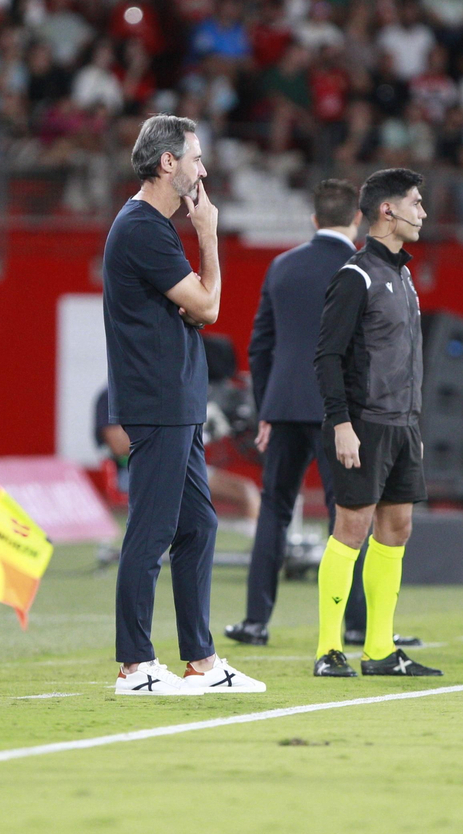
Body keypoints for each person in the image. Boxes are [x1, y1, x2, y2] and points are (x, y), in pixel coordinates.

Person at [103, 113, 264, 696]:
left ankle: (200, 660)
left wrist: (194, 295)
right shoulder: (144, 226)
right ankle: (135, 665)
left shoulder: (151, 226)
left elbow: (195, 306)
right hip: (158, 400)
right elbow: (208, 307)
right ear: (167, 162)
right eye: (196, 158)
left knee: (198, 524)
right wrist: (210, 237)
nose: (203, 168)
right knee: (152, 530)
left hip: (177, 400)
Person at [226, 178, 418, 651]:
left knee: (274, 508)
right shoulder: (363, 267)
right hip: (345, 415)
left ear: (313, 220)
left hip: (286, 406)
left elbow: (261, 344)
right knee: (350, 516)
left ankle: (255, 622)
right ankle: (357, 627)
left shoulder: (282, 266)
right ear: (357, 218)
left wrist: (265, 408)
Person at [313, 168, 443, 679]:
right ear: (387, 210)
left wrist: (415, 426)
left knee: (398, 529)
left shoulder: (405, 275)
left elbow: (405, 360)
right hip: (364, 424)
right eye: (415, 202)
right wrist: (341, 424)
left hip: (402, 426)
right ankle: (328, 650)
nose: (422, 212)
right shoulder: (356, 275)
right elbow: (327, 356)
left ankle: (380, 651)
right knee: (351, 528)